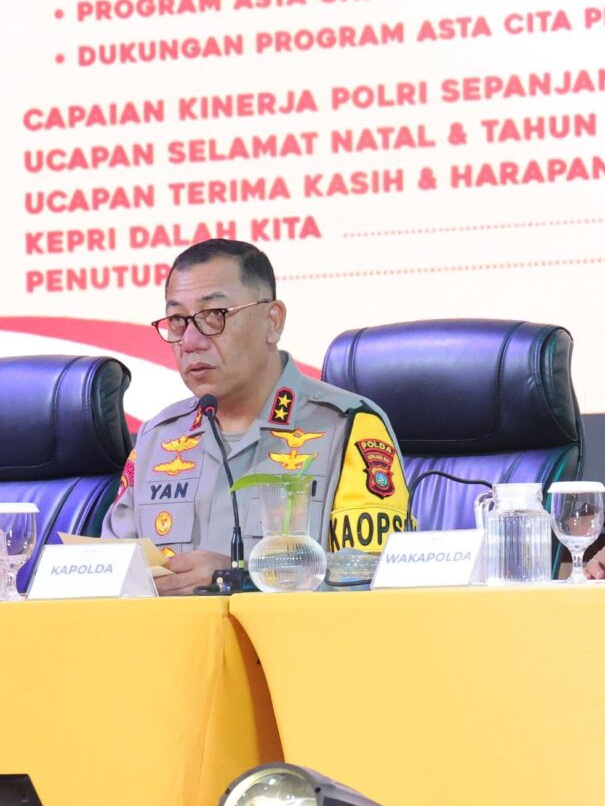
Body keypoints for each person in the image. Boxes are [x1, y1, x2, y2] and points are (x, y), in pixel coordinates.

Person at [105, 239, 412, 595]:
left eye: (213, 315)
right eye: (177, 321)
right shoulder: (157, 438)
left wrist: (243, 580)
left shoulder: (346, 427)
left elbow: (376, 576)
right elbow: (109, 577)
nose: (189, 341)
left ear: (272, 321)